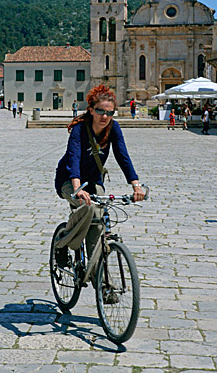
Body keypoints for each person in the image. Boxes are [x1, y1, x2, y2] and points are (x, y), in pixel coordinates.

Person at [54, 85, 144, 286]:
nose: (105, 116)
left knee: (98, 223)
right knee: (89, 208)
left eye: (110, 112)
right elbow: (73, 159)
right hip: (69, 180)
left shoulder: (114, 128)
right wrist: (77, 190)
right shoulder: (79, 129)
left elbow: (123, 157)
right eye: (101, 111)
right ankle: (62, 243)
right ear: (91, 109)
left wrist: (136, 186)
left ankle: (101, 282)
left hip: (94, 182)